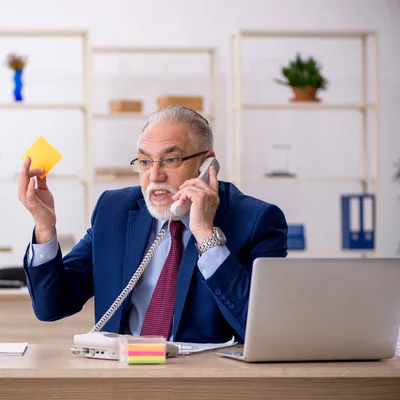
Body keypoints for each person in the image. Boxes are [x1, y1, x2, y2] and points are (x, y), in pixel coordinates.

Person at [17, 105, 288, 343]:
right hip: (120, 379)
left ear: (207, 164)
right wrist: (44, 226)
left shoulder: (258, 220)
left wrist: (206, 235)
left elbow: (265, 331)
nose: (154, 175)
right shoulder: (115, 210)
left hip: (203, 382)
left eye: (171, 159)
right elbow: (50, 306)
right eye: (145, 161)